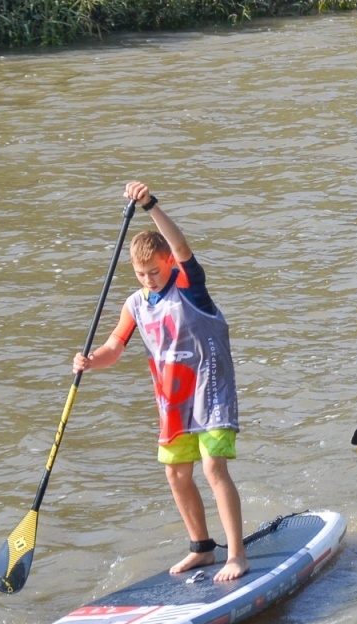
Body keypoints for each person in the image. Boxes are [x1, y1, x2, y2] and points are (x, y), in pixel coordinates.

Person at [73, 181, 247, 581]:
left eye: (154, 271)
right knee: (175, 473)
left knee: (212, 467)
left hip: (210, 385)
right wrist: (89, 361)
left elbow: (182, 247)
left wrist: (151, 205)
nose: (148, 279)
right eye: (140, 274)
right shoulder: (135, 303)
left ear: (169, 262)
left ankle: (237, 554)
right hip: (173, 396)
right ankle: (202, 547)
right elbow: (114, 347)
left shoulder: (189, 285)